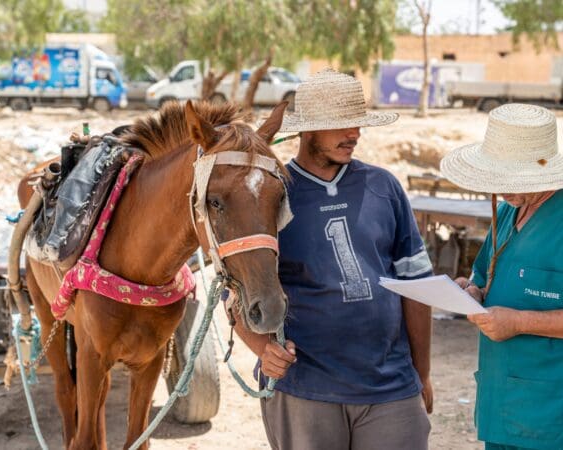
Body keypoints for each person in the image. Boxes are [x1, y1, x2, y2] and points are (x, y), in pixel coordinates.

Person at [232, 69, 434, 450]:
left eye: (356, 122)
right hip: (305, 388)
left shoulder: (384, 186)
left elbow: (416, 287)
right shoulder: (270, 193)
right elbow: (236, 291)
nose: (354, 133)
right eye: (340, 124)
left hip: (392, 388)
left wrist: (421, 374)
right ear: (308, 130)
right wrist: (261, 350)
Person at [440, 103, 563, 450]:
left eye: (510, 178)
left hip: (551, 415)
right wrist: (472, 292)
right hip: (503, 404)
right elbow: (484, 275)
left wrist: (520, 321)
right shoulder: (509, 210)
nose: (501, 188)